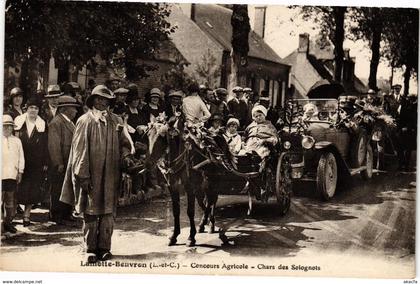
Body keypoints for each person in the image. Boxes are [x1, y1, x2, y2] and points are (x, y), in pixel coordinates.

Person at [60, 85, 132, 263]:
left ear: (109, 102)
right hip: (91, 175)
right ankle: (90, 248)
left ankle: (105, 248)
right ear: (92, 101)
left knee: (108, 211)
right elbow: (79, 151)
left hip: (111, 175)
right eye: (98, 99)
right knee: (91, 211)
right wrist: (82, 175)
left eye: (105, 100)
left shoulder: (116, 121)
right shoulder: (85, 121)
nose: (101, 103)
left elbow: (124, 143)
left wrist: (126, 155)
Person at [14, 96, 48, 227]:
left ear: (38, 110)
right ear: (26, 109)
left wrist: (45, 161)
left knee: (33, 189)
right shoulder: (19, 122)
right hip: (20, 160)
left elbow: (45, 144)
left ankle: (26, 215)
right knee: (18, 187)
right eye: (31, 108)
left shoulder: (42, 124)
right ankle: (10, 216)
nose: (33, 110)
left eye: (36, 108)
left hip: (36, 163)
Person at [48, 96, 80, 225]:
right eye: (74, 108)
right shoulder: (56, 122)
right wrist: (58, 163)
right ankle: (56, 215)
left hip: (69, 162)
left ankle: (67, 213)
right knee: (58, 189)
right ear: (66, 109)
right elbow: (53, 145)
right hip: (61, 164)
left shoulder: (69, 122)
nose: (76, 111)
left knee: (67, 188)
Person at [2, 115, 25, 234]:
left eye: (10, 127)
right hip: (1, 175)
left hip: (12, 174)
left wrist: (20, 171)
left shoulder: (17, 141)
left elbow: (21, 157)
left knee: (10, 200)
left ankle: (8, 222)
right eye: (5, 126)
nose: (7, 129)